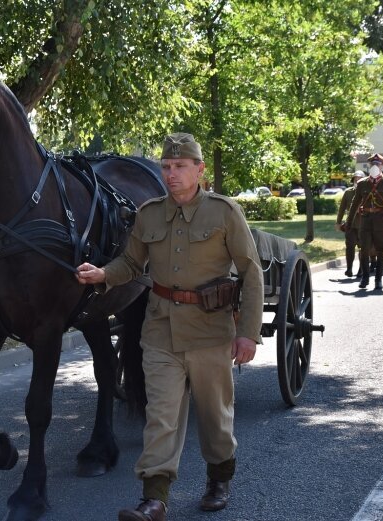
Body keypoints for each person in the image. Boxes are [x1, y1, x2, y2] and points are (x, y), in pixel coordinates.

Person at [76, 133, 264, 519]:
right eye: (166, 166)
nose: (171, 173)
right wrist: (103, 274)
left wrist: (248, 332)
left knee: (215, 416)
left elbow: (251, 271)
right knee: (161, 414)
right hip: (161, 330)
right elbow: (130, 264)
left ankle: (218, 478)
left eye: (179, 167)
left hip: (211, 330)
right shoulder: (149, 214)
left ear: (199, 170)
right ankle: (155, 498)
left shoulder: (225, 213)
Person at [347, 153, 383, 291]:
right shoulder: (362, 183)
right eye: (373, 164)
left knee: (381, 251)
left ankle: (378, 279)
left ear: (382, 166)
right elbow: (355, 204)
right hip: (366, 221)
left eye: (377, 164)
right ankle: (365, 277)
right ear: (369, 166)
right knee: (364, 249)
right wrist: (349, 222)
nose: (375, 166)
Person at [335, 171, 366, 278]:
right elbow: (342, 208)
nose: (357, 180)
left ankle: (361, 270)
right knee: (349, 247)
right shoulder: (348, 192)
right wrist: (338, 222)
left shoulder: (368, 192)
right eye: (355, 179)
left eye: (360, 179)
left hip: (364, 225)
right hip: (350, 224)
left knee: (363, 248)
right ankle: (349, 269)